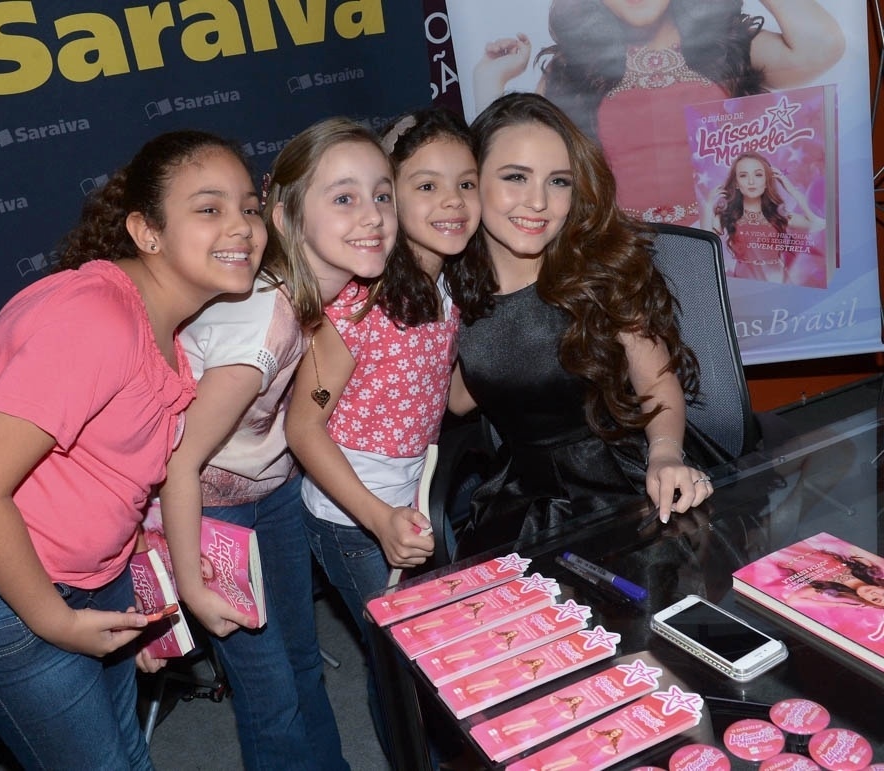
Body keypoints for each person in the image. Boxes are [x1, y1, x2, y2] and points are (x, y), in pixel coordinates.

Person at [0, 129, 262, 769]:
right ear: (146, 232)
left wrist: (135, 576)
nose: (242, 227)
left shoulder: (158, 324)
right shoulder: (96, 318)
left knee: (126, 754)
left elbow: (107, 472)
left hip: (91, 580)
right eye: (209, 208)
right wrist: (57, 623)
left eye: (250, 208)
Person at [157, 116, 397, 770]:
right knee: (272, 695)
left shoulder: (324, 294)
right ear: (286, 217)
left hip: (274, 492)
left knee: (301, 664)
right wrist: (191, 583)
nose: (372, 214)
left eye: (382, 194)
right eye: (343, 197)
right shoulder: (262, 323)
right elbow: (179, 461)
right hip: (210, 510)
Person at [446, 92, 721, 560]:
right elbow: (459, 399)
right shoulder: (455, 290)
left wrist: (665, 454)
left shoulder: (601, 273)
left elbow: (657, 384)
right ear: (472, 182)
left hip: (626, 479)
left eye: (558, 181)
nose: (538, 201)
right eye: (515, 177)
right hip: (525, 496)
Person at [284, 106, 479, 759]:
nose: (452, 201)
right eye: (426, 186)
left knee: (421, 647)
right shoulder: (358, 302)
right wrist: (376, 518)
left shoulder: (445, 287)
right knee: (400, 658)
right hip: (352, 511)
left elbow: (453, 398)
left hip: (408, 495)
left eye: (467, 183)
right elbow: (304, 427)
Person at [472, 0, 844, 226]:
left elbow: (822, 46)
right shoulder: (572, 70)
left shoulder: (726, 45)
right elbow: (518, 166)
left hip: (724, 259)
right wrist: (490, 80)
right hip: (621, 267)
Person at [700, 151, 827, 284]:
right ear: (736, 183)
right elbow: (705, 248)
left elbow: (818, 224)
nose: (751, 181)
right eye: (743, 175)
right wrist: (708, 208)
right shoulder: (728, 214)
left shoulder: (777, 215)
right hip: (744, 282)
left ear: (767, 181)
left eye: (758, 175)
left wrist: (792, 190)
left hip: (779, 282)